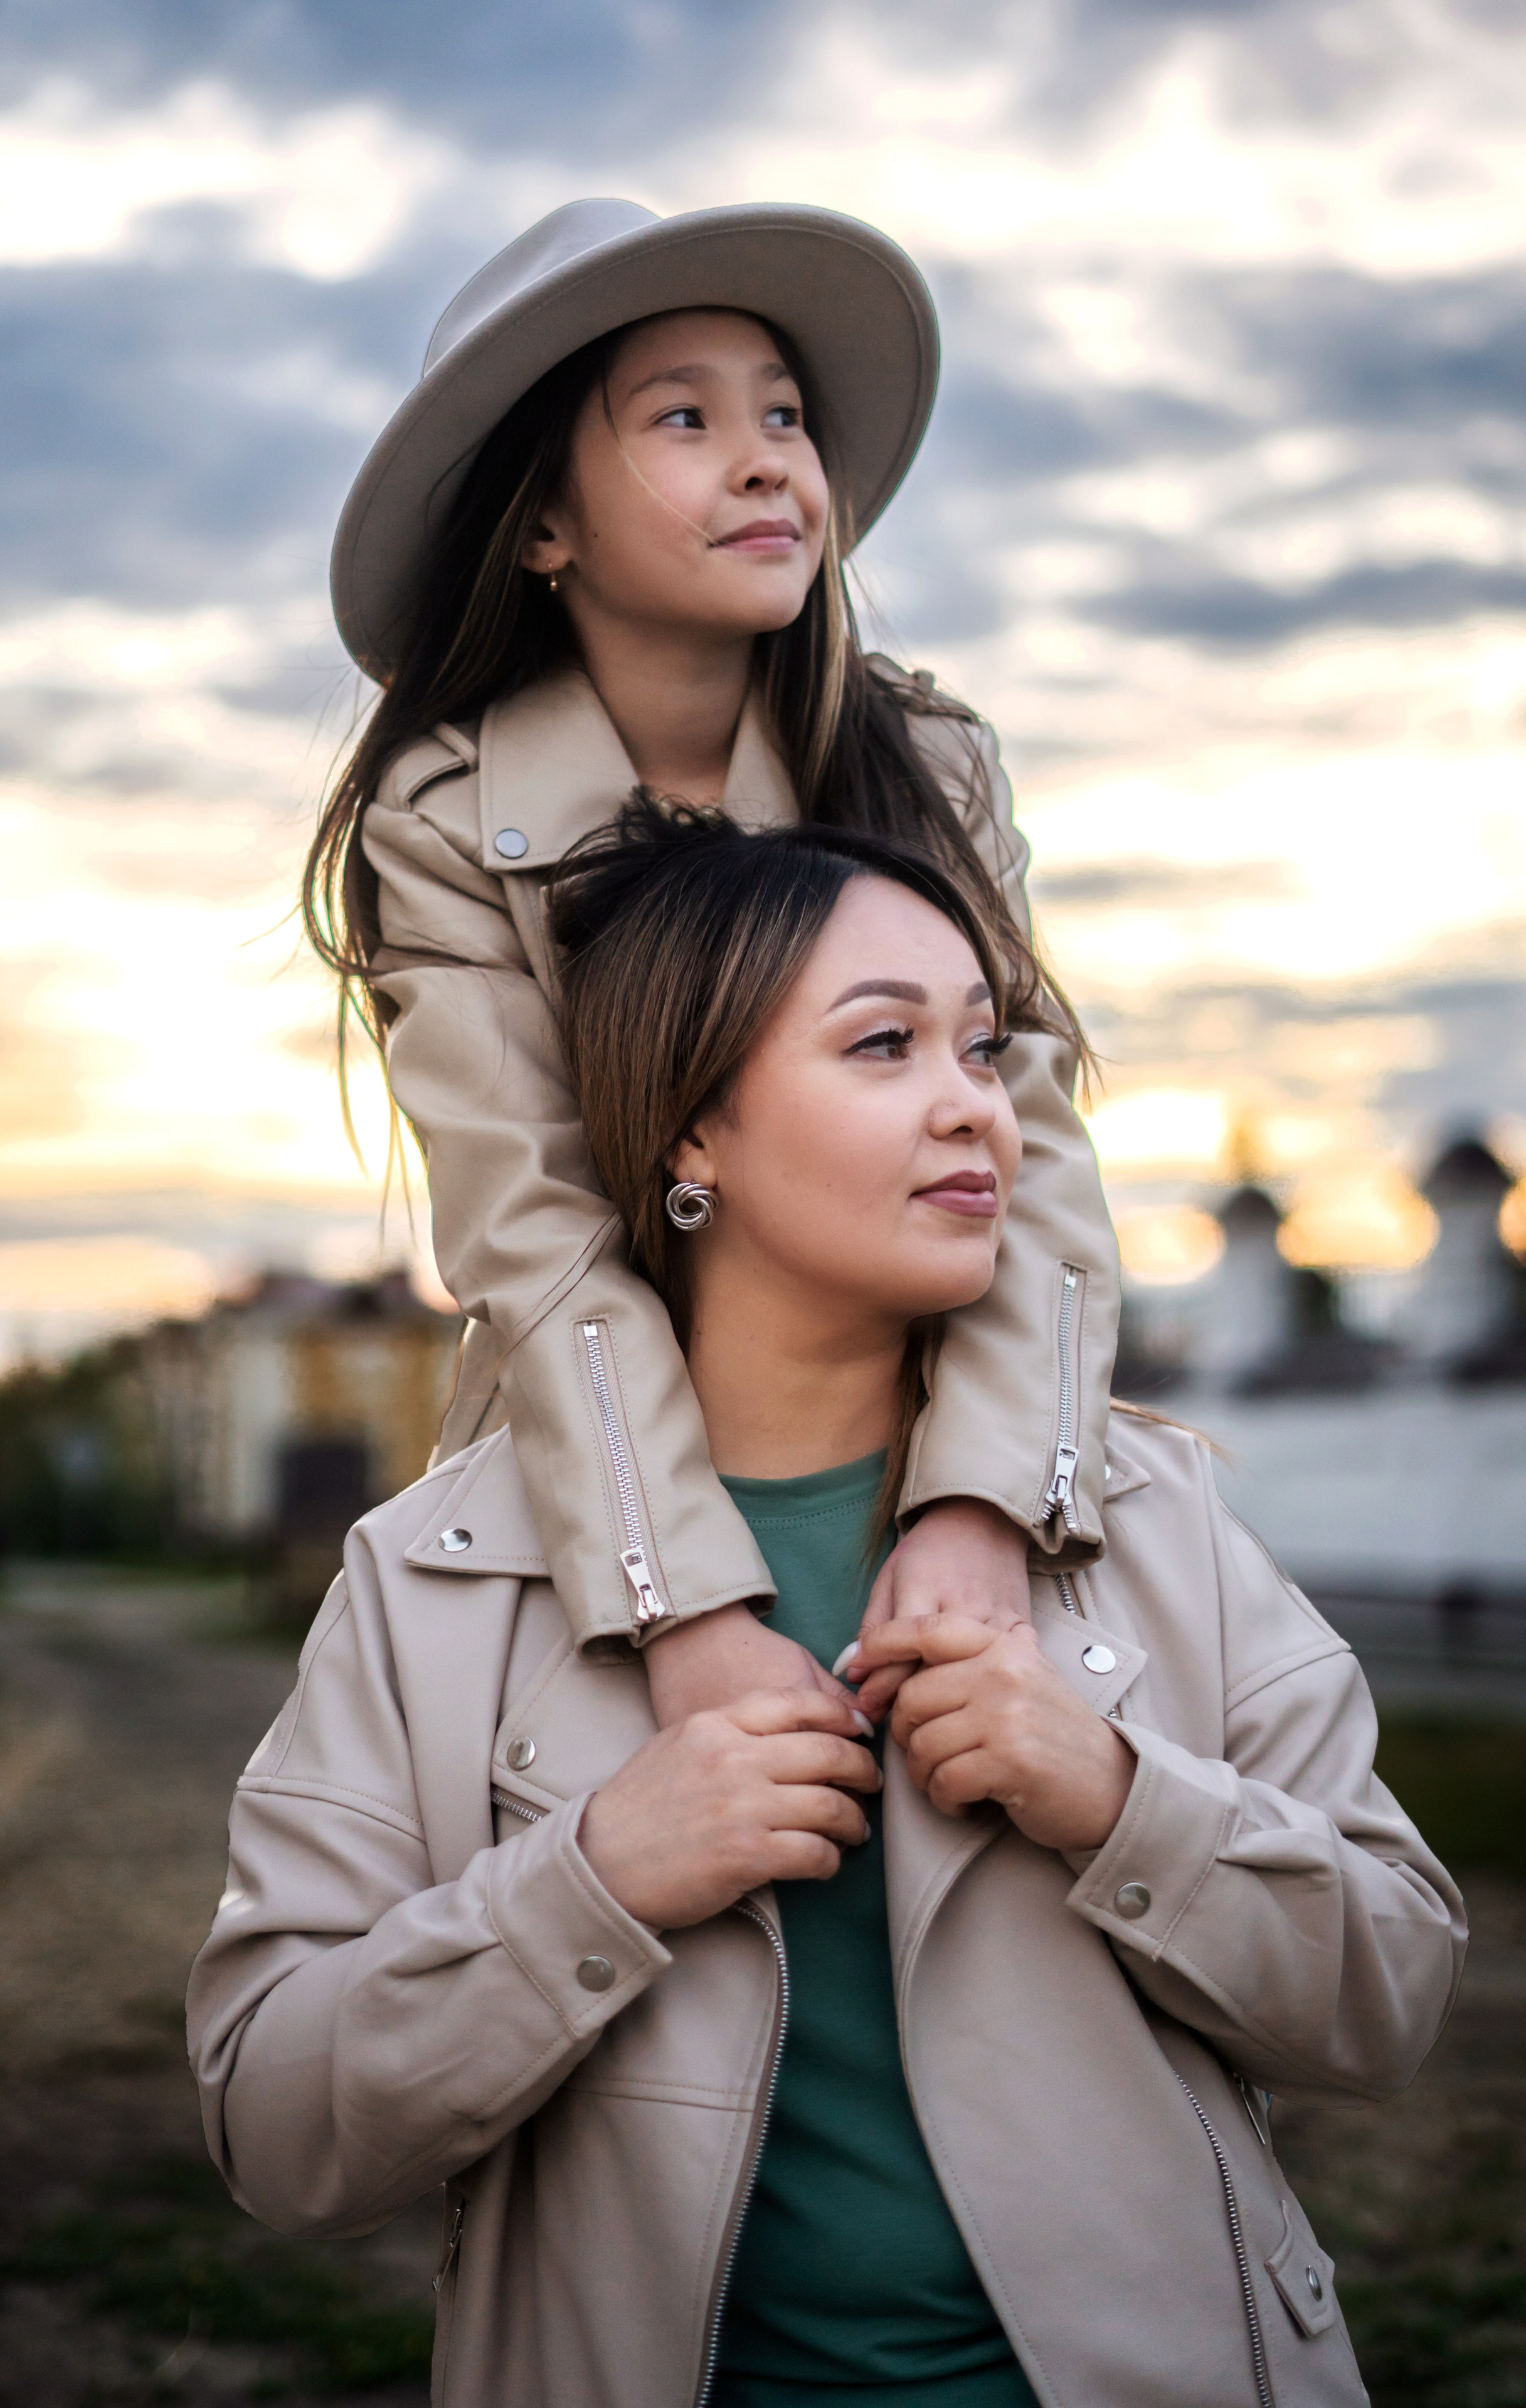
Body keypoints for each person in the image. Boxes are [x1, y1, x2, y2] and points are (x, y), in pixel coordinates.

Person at [192, 804, 1466, 2408]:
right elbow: (277, 2129)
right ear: (690, 1134)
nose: (978, 1115)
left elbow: (1390, 1996)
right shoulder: (440, 1574)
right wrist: (595, 1882)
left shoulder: (1151, 1518)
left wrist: (1119, 1799)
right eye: (885, 1049)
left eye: (984, 1051)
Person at [304, 195, 1120, 1736]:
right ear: (540, 522)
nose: (767, 461)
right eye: (682, 417)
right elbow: (529, 1229)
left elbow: (1037, 1151)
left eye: (787, 416)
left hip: (952, 1436)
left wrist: (987, 1505)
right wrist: (676, 1595)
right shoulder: (437, 823)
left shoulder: (926, 767)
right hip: (608, 1492)